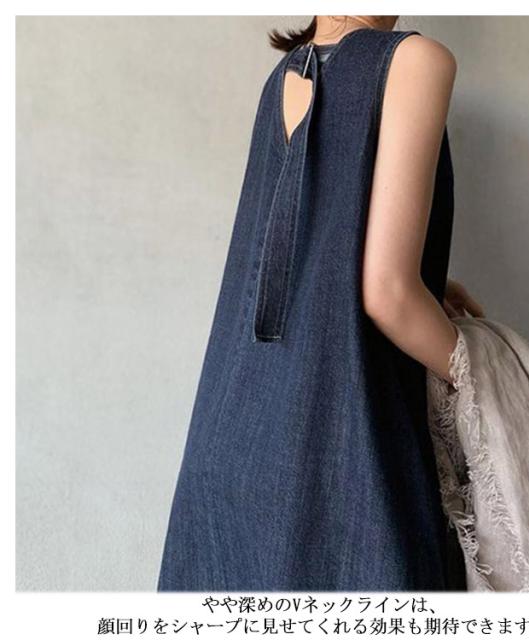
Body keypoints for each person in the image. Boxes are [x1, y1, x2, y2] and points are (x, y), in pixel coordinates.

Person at [157, 15, 483, 592]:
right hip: (334, 460)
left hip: (227, 453)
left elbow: (312, 255)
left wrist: (431, 284)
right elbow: (388, 296)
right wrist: (495, 378)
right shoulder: (415, 61)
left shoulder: (284, 74)